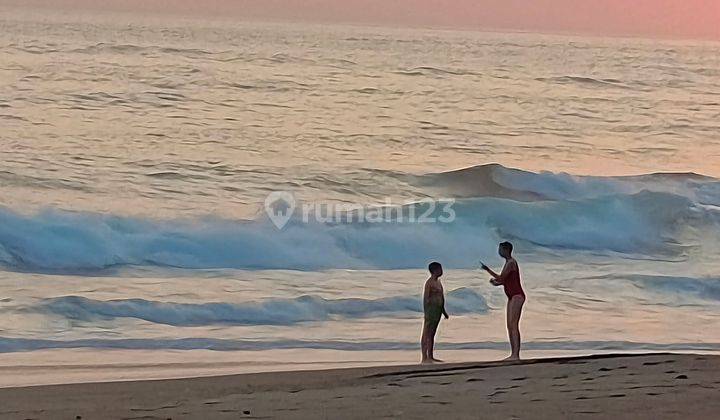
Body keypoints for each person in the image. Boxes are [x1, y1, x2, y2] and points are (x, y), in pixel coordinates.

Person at [482, 241, 525, 361]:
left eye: (501, 249)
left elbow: (501, 278)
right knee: (509, 325)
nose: (499, 251)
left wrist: (487, 270)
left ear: (506, 250)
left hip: (517, 295)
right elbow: (503, 281)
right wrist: (495, 283)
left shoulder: (511, 263)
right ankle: (513, 353)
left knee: (513, 324)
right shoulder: (507, 263)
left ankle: (516, 354)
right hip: (511, 296)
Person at [421, 261, 449, 364]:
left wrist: (443, 311)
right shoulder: (430, 283)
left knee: (432, 334)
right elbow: (426, 298)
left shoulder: (438, 282)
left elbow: (441, 298)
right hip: (431, 310)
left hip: (437, 310)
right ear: (435, 270)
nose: (442, 271)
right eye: (440, 269)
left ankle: (431, 356)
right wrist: (427, 312)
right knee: (427, 332)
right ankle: (424, 357)